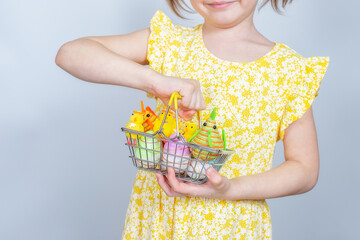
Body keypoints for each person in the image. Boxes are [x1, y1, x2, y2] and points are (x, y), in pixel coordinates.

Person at [55, 0, 329, 238]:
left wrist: (229, 189)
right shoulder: (170, 44)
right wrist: (154, 81)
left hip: (232, 228)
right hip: (160, 222)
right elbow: (70, 54)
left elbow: (304, 170)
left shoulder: (289, 72)